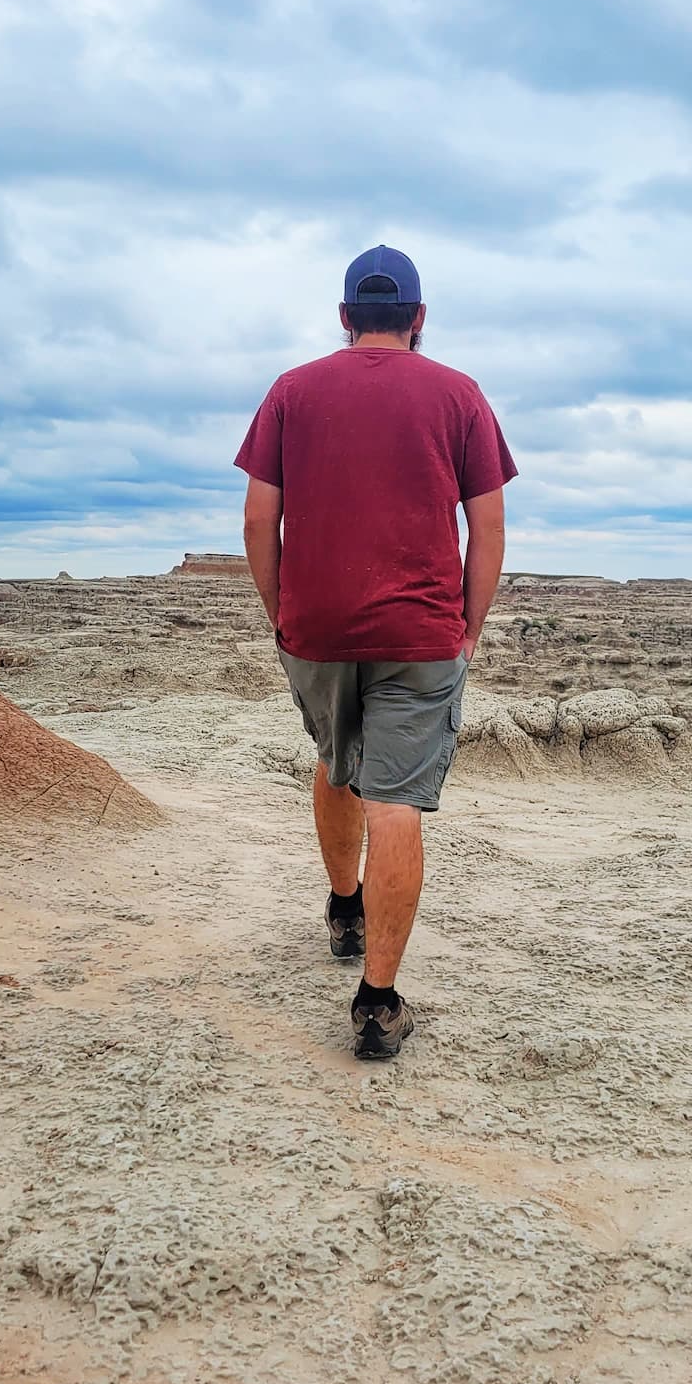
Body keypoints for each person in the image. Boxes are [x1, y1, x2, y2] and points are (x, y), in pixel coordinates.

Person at [236, 245, 516, 1060]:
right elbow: (488, 527)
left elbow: (259, 522)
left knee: (335, 762)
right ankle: (377, 1002)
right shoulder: (458, 394)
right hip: (421, 634)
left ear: (345, 317)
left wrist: (282, 610)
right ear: (419, 319)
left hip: (317, 628)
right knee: (396, 800)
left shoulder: (291, 391)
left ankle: (344, 908)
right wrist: (468, 626)